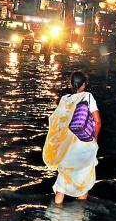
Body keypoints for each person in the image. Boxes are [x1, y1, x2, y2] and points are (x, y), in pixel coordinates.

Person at [43, 71, 102, 205]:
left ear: (70, 84)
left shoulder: (64, 99)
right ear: (84, 85)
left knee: (63, 181)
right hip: (84, 145)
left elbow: (57, 123)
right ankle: (77, 217)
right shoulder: (87, 96)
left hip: (67, 146)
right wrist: (95, 139)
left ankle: (55, 213)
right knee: (84, 179)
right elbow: (97, 121)